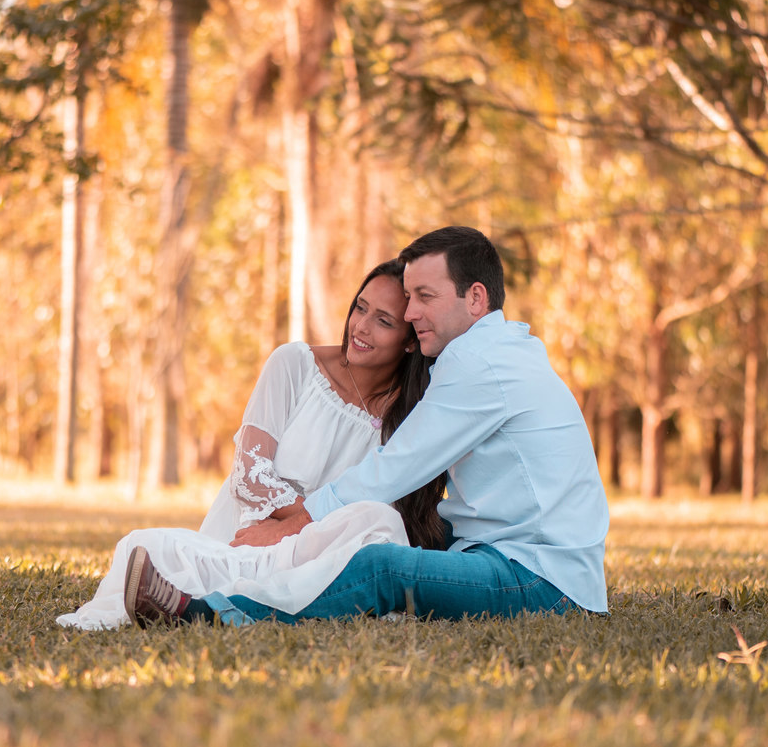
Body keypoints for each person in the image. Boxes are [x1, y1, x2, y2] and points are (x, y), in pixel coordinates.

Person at [125, 226, 609, 627]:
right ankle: (256, 579)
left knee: (380, 565)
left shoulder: (480, 363)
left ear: (475, 298)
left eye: (424, 296)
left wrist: (292, 526)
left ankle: (213, 616)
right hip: (507, 546)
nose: (411, 311)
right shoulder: (497, 349)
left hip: (540, 576)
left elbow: (394, 468)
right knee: (380, 526)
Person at [57, 260, 447, 630]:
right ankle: (244, 588)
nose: (361, 327)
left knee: (379, 522)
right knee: (142, 546)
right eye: (360, 308)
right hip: (251, 541)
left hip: (322, 555)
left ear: (410, 342)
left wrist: (299, 529)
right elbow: (250, 475)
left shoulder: (411, 415)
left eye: (383, 321)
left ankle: (214, 599)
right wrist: (295, 527)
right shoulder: (294, 365)